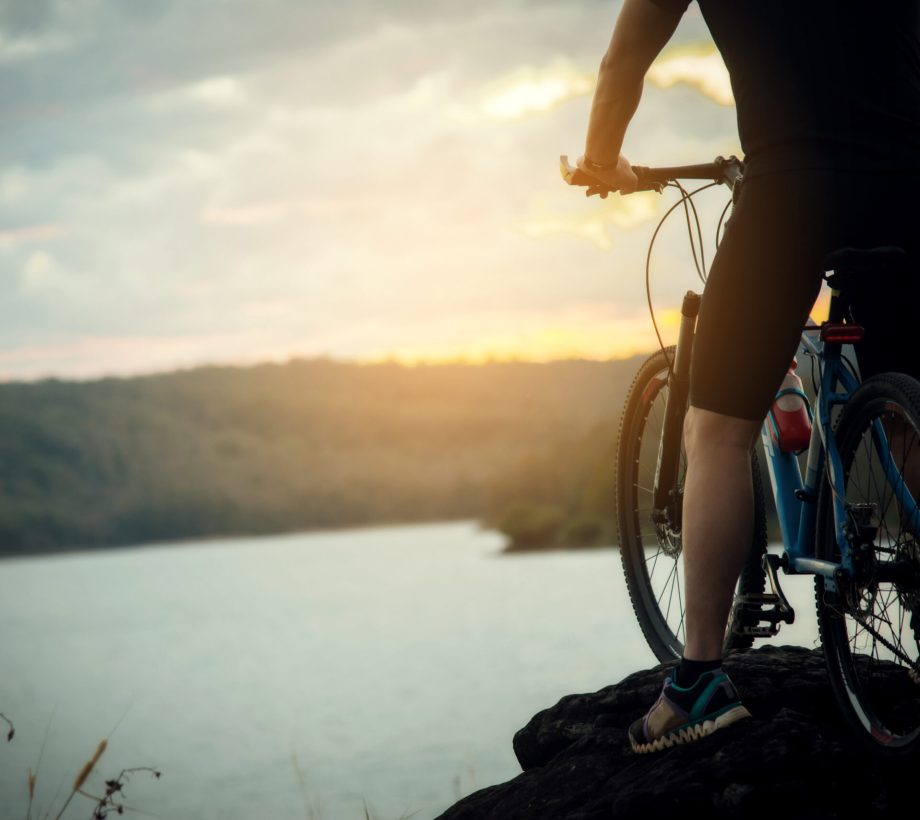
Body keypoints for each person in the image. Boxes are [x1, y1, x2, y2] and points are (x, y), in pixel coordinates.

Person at [577, 0, 920, 753]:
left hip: (794, 187)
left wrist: (602, 162)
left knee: (719, 428)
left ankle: (697, 681)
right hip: (908, 182)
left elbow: (620, 65)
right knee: (908, 410)